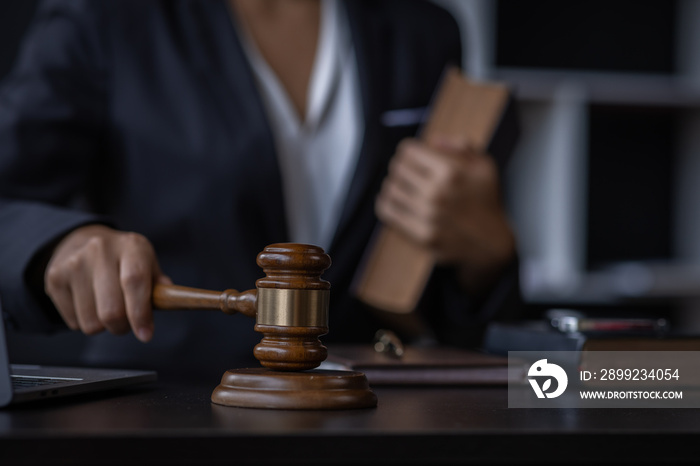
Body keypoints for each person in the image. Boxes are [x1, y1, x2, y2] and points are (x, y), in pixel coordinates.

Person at [0, 0, 520, 380]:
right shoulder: (106, 17)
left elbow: (441, 303)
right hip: (171, 410)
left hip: (367, 409)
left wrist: (487, 255)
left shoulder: (423, 30)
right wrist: (59, 243)